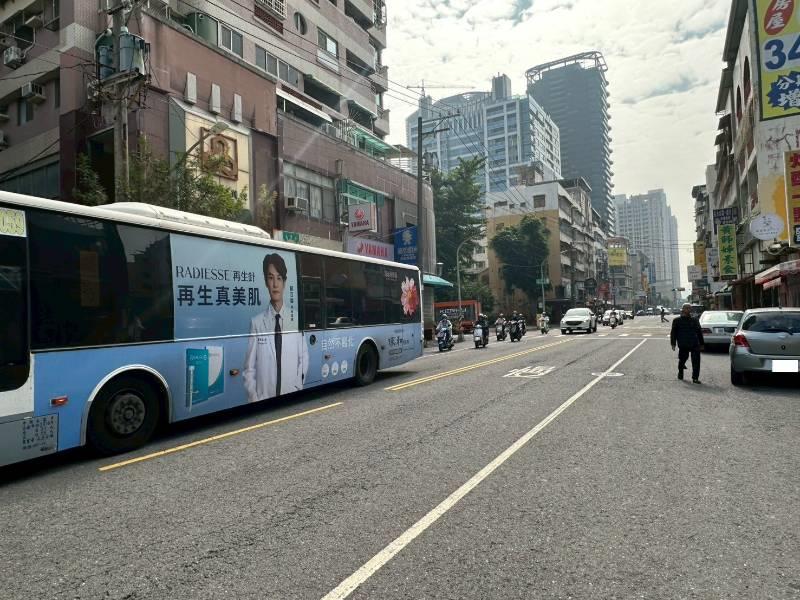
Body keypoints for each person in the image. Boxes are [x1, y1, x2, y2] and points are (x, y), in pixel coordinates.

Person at [243, 253, 308, 403]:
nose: (275, 284)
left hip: (290, 392)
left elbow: (303, 357)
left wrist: (297, 386)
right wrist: (255, 398)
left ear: (284, 282)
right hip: (264, 397)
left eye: (279, 278)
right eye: (270, 278)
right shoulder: (256, 323)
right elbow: (248, 369)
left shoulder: (296, 318)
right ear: (266, 282)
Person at [670, 303, 705, 384]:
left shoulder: (694, 320)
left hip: (694, 343)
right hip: (683, 343)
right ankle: (680, 372)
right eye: (687, 308)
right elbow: (673, 333)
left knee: (696, 361)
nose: (689, 310)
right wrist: (673, 343)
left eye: (690, 308)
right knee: (683, 359)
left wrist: (702, 344)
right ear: (683, 309)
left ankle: (695, 378)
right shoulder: (677, 320)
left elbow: (699, 332)